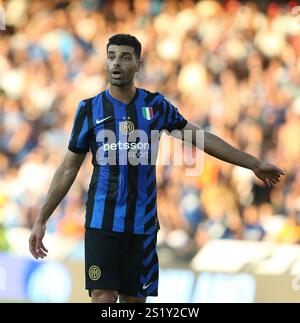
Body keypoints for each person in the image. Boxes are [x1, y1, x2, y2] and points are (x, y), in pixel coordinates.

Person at [29, 34, 285, 303]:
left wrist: (253, 163)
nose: (116, 63)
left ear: (138, 64)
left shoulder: (156, 106)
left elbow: (202, 138)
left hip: (143, 226)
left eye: (125, 57)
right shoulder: (89, 108)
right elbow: (68, 169)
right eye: (111, 56)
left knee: (134, 303)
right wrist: (42, 218)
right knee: (104, 298)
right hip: (101, 223)